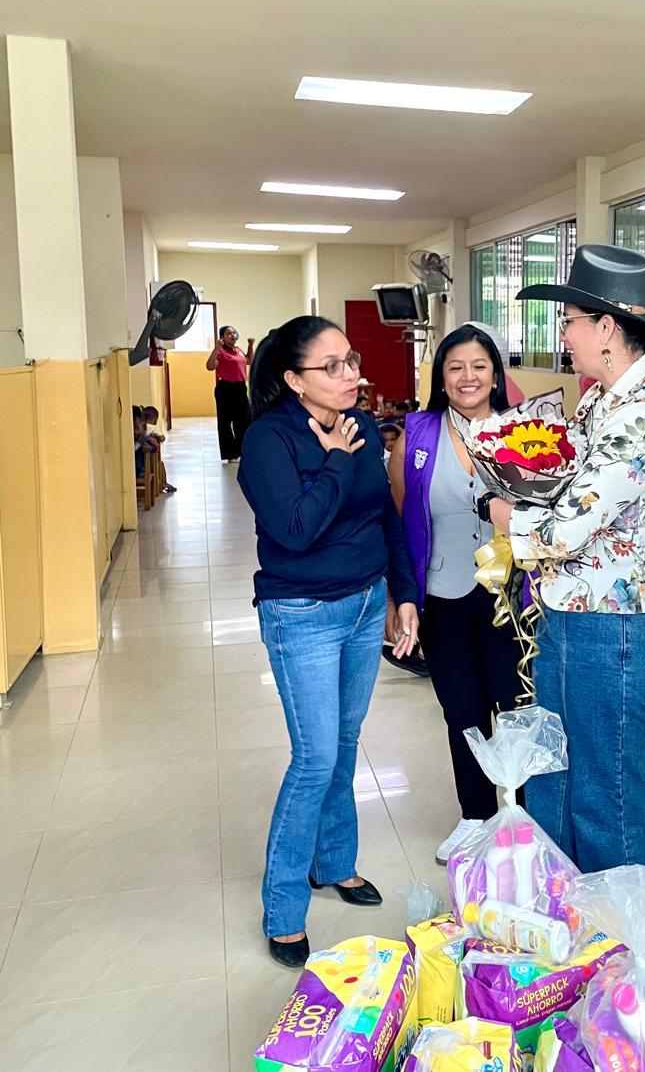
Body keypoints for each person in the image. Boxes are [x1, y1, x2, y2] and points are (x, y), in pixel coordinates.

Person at [486, 244, 645, 874]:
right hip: (573, 615)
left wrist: (503, 514)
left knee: (609, 799)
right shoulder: (599, 402)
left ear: (607, 329)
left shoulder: (641, 417)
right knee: (557, 780)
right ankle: (569, 918)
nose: (564, 334)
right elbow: (560, 482)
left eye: (570, 321)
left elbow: (568, 526)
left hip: (620, 629)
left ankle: (629, 935)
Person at [237, 315, 419, 969]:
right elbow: (295, 528)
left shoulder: (362, 424)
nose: (352, 376)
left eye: (352, 361)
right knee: (315, 757)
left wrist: (403, 592)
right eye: (333, 366)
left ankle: (334, 861)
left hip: (366, 604)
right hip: (303, 614)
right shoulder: (269, 439)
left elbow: (385, 515)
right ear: (294, 379)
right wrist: (338, 459)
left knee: (345, 739)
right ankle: (284, 907)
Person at [389, 324, 524, 862]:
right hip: (442, 595)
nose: (468, 377)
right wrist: (400, 598)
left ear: (496, 374)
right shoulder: (417, 433)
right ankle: (475, 815)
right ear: (441, 377)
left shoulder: (525, 431)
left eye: (479, 366)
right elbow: (399, 518)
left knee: (515, 708)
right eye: (455, 367)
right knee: (462, 708)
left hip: (512, 597)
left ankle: (522, 815)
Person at [207, 325, 254, 462]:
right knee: (225, 423)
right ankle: (231, 454)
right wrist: (216, 349)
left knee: (244, 420)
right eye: (228, 333)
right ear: (222, 337)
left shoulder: (238, 350)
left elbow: (249, 360)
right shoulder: (220, 351)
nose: (232, 335)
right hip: (226, 389)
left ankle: (243, 450)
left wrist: (250, 345)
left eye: (234, 333)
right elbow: (210, 366)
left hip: (240, 388)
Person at [142, 405, 176, 494]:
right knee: (160, 464)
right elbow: (162, 438)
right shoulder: (154, 428)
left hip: (140, 460)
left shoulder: (141, 428)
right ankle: (164, 483)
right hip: (151, 461)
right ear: (155, 420)